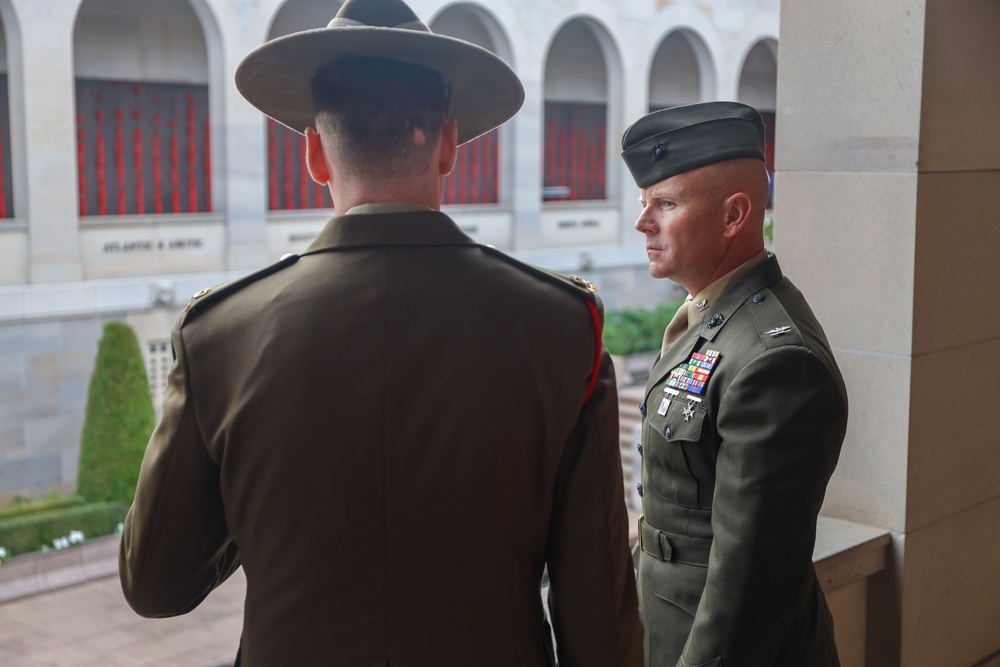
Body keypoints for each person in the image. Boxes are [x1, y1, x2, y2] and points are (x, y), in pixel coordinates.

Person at [118, 0, 643, 665]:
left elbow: (155, 584)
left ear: (313, 153)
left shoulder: (221, 334)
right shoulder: (563, 327)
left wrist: (249, 500)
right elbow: (599, 621)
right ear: (449, 144)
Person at [620, 101, 848, 667]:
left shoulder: (776, 363)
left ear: (733, 215)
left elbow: (750, 581)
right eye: (644, 203)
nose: (642, 222)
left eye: (665, 204)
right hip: (666, 619)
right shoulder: (712, 316)